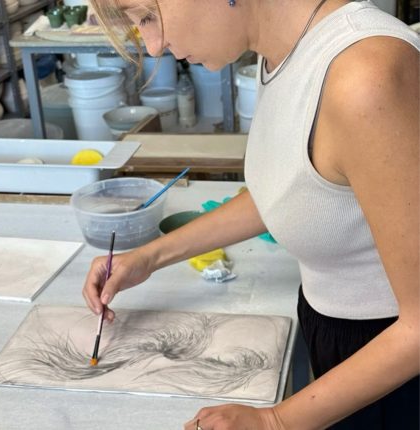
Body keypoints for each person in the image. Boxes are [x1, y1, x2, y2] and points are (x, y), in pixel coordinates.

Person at [82, 1, 419, 429]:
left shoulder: (365, 75)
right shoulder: (281, 50)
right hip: (341, 339)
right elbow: (294, 189)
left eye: (147, 16)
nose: (153, 46)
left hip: (394, 368)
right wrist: (149, 257)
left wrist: (274, 421)